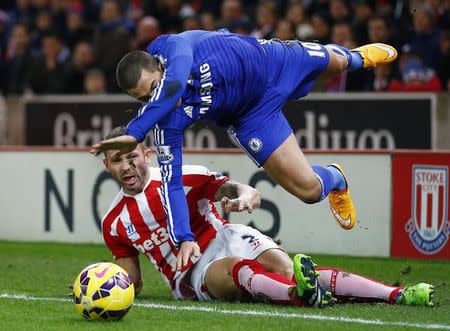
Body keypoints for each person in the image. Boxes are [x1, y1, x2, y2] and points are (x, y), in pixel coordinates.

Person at [90, 29, 398, 268]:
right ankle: (336, 179)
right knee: (309, 191)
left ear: (160, 65)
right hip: (251, 117)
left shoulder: (172, 47)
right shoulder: (165, 122)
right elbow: (170, 183)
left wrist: (135, 131)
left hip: (273, 63)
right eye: (144, 99)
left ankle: (359, 57)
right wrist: (183, 237)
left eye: (155, 88)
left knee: (342, 62)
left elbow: (169, 92)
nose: (153, 100)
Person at [100, 126, 434, 307]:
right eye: (117, 160)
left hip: (226, 236)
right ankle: (297, 296)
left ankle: (399, 294)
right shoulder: (114, 222)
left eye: (132, 156)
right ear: (107, 165)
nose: (127, 165)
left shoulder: (183, 176)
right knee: (235, 272)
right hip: (192, 272)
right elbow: (133, 281)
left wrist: (246, 195)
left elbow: (230, 189)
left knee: (287, 268)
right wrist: (100, 287)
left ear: (146, 153)